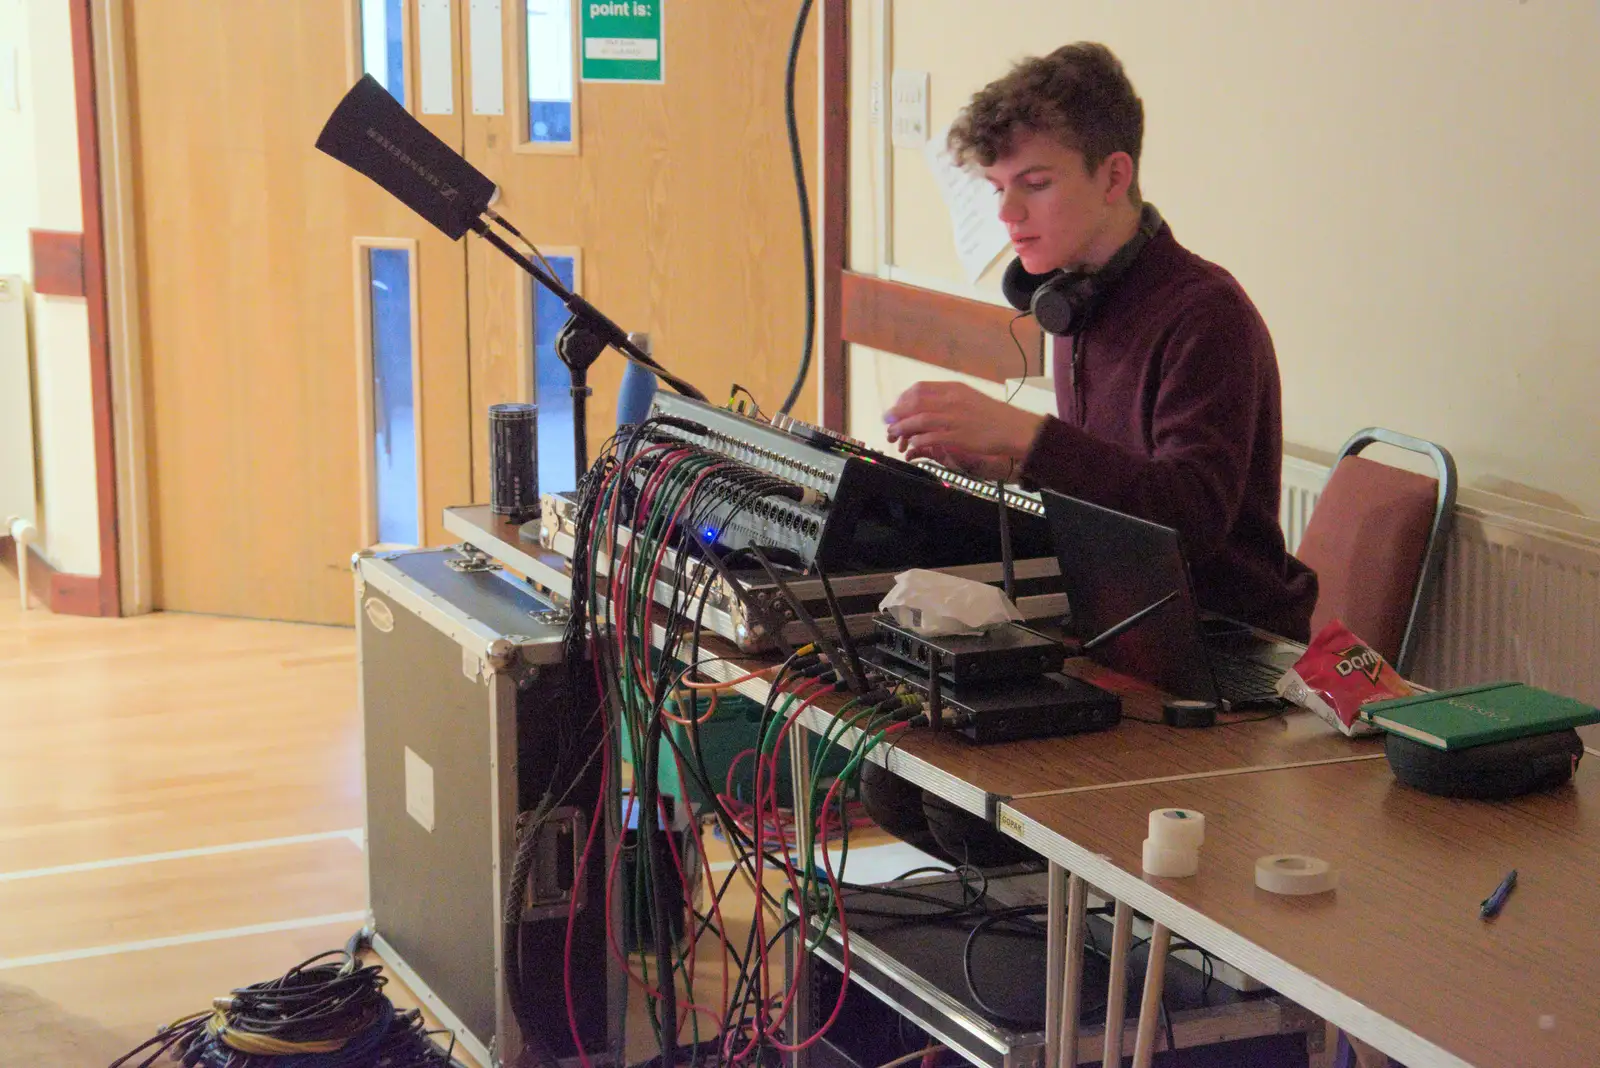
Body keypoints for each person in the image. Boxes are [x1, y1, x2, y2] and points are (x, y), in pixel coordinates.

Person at [863, 42, 1317, 867]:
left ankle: (1087, 978)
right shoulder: (1076, 303)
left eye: (1034, 184)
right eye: (999, 190)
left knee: (969, 814)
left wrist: (1029, 440)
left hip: (1222, 652)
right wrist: (1000, 465)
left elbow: (1188, 519)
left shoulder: (1202, 314)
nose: (1008, 216)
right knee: (893, 781)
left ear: (1115, 177)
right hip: (1121, 633)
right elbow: (1109, 489)